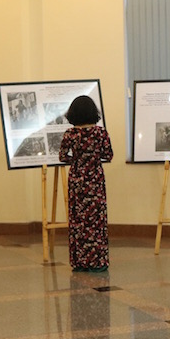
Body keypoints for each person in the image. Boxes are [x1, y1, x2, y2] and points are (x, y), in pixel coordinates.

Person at [58, 95, 113, 271]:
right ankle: (98, 262)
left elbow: (62, 157)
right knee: (97, 220)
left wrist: (77, 160)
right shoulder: (100, 133)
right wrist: (93, 157)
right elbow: (108, 155)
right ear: (92, 112)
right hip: (95, 180)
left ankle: (79, 261)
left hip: (76, 181)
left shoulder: (70, 134)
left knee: (78, 220)